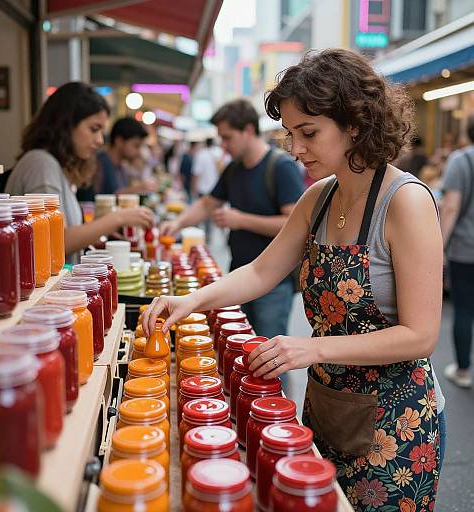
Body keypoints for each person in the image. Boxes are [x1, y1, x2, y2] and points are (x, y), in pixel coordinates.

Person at [145, 49, 445, 510]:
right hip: (326, 403)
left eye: (308, 133)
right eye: (290, 134)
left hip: (396, 422)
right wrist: (189, 301)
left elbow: (420, 336)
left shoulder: (404, 202)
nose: (296, 149)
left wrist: (313, 347)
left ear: (355, 124)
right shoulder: (319, 197)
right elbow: (261, 271)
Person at [160, 99, 304, 341]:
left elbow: (295, 224)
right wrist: (178, 223)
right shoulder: (233, 169)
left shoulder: (281, 167)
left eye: (227, 138)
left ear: (248, 130)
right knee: (240, 346)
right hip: (239, 274)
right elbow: (208, 203)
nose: (223, 146)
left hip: (274, 283)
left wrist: (241, 220)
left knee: (270, 355)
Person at [6, 82, 154, 262]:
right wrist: (118, 218)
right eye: (94, 129)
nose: (100, 140)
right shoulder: (41, 164)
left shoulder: (56, 167)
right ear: (66, 125)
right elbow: (56, 242)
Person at [441, 115, 474, 388]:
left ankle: (463, 370)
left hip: (466, 248)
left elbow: (450, 207)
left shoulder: (461, 161)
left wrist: (437, 246)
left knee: (463, 310)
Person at [93, 117, 158, 197]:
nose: (138, 152)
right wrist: (135, 189)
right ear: (119, 141)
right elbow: (95, 200)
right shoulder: (98, 163)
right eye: (136, 146)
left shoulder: (121, 166)